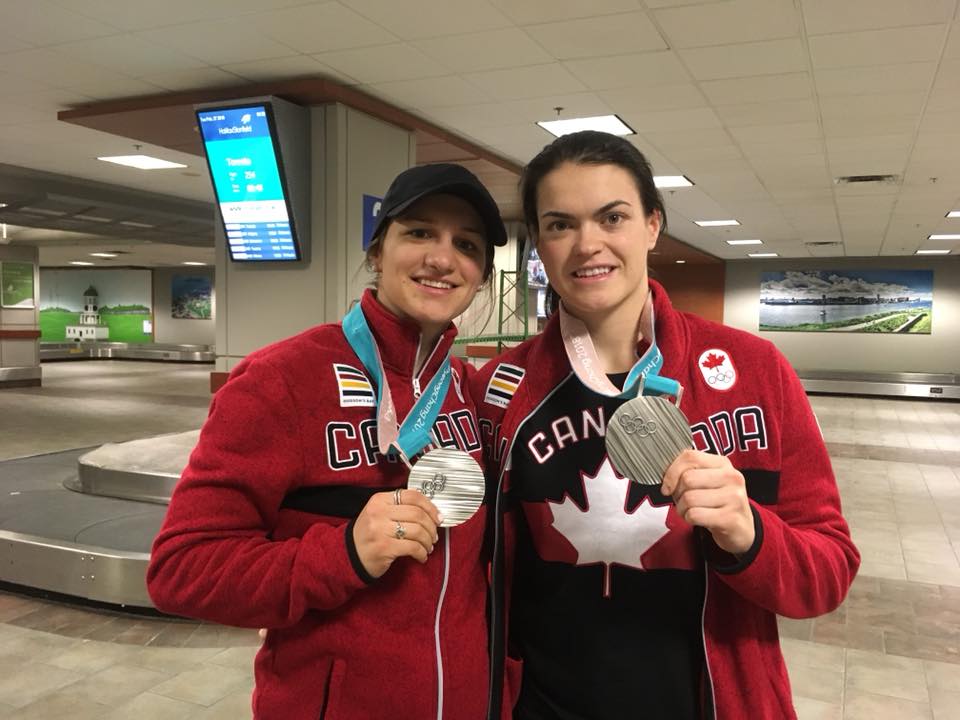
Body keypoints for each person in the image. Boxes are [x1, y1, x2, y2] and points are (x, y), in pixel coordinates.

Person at [470, 131, 859, 720]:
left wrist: (748, 532)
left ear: (653, 225)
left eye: (613, 217)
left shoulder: (755, 371)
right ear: (540, 245)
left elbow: (826, 573)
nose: (587, 244)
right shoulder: (499, 390)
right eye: (559, 224)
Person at [148, 163, 508, 720]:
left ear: (480, 273)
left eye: (466, 244)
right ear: (376, 252)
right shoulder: (282, 379)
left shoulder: (469, 391)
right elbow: (182, 570)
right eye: (418, 232)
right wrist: (342, 555)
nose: (442, 257)